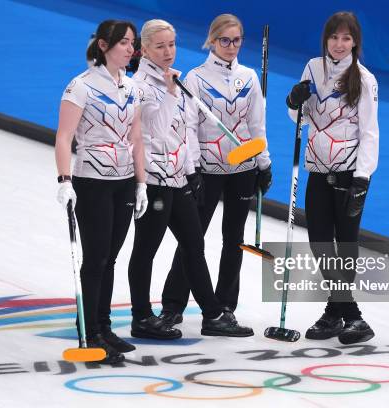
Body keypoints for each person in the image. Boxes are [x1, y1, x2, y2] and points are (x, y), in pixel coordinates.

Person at [128, 19, 253, 339]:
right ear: (144, 50)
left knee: (194, 246)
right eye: (160, 46)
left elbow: (187, 130)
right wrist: (170, 93)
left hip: (178, 179)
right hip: (153, 180)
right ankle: (141, 317)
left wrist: (192, 169)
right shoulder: (139, 86)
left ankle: (212, 315)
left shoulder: (174, 79)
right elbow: (154, 131)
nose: (169, 52)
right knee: (146, 249)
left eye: (171, 44)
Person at [159, 14, 272, 328]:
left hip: (243, 168)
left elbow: (256, 126)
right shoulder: (195, 78)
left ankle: (224, 308)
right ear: (212, 41)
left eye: (236, 40)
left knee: (234, 239)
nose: (231, 46)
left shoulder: (249, 77)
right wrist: (193, 169)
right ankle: (173, 305)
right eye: (225, 40)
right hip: (207, 170)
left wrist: (264, 163)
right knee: (192, 238)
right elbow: (189, 127)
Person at [54, 19, 149, 363]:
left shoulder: (133, 88)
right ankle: (89, 332)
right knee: (95, 259)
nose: (130, 49)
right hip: (92, 182)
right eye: (124, 42)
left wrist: (141, 182)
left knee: (110, 258)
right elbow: (64, 136)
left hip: (123, 181)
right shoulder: (80, 87)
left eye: (132, 43)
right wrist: (65, 181)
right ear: (105, 46)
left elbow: (137, 138)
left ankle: (104, 326)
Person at [286, 11, 379, 344]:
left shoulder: (364, 79)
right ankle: (346, 314)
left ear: (355, 42)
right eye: (334, 37)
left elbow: (370, 132)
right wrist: (294, 101)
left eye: (346, 38)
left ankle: (337, 312)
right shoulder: (313, 67)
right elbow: (301, 116)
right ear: (325, 38)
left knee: (345, 244)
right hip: (317, 168)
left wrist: (362, 178)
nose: (339, 45)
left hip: (348, 172)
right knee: (320, 241)